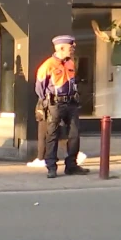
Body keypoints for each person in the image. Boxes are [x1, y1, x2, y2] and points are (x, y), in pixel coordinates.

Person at [35, 35, 90, 178]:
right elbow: (39, 88)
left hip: (71, 103)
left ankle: (71, 165)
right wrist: (46, 101)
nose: (73, 49)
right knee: (52, 135)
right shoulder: (47, 65)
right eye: (70, 47)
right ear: (60, 48)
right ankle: (51, 167)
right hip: (55, 104)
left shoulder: (71, 63)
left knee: (74, 134)